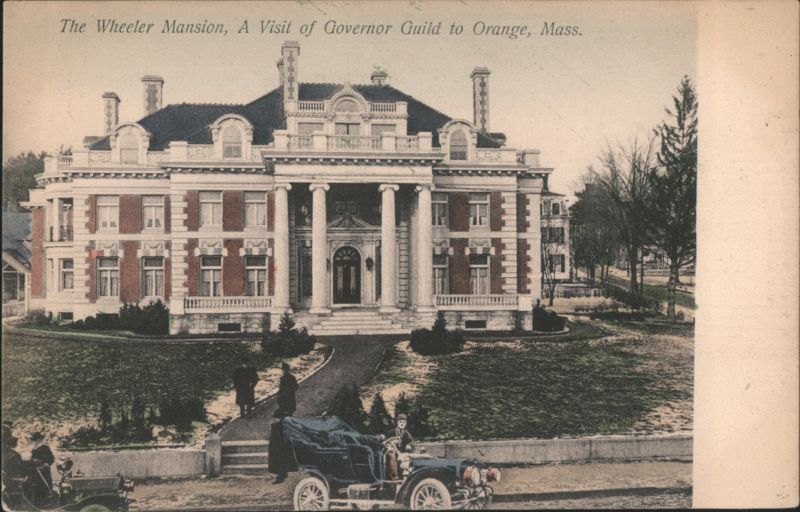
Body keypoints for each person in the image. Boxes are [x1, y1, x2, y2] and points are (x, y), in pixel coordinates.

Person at [384, 414, 415, 480]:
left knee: (408, 457)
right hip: (392, 452)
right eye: (400, 422)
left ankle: (407, 476)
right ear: (397, 423)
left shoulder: (407, 433)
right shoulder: (391, 432)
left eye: (403, 422)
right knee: (391, 454)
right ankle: (394, 477)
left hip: (402, 453)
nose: (402, 424)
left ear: (406, 423)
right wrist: (390, 446)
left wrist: (409, 445)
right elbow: (385, 443)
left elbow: (412, 442)